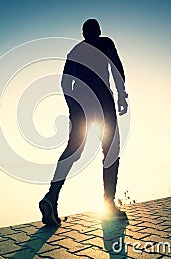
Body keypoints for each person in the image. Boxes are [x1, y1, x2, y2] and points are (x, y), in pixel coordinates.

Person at [39, 18, 128, 226]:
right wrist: (122, 95)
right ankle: (109, 206)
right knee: (111, 150)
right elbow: (116, 67)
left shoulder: (74, 51)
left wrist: (73, 106)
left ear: (83, 33)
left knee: (72, 151)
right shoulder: (105, 42)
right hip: (102, 100)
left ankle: (51, 197)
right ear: (98, 31)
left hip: (79, 103)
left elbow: (63, 82)